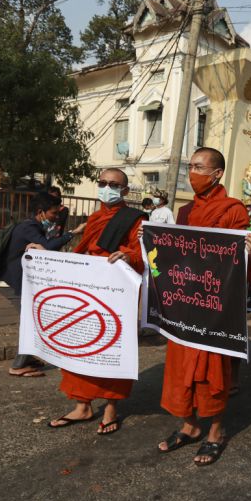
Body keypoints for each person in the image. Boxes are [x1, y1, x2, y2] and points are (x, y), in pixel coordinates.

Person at [157, 147, 251, 466]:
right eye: (191, 166)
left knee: (212, 369)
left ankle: (215, 430)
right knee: (180, 366)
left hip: (214, 301)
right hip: (185, 299)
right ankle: (189, 425)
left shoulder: (233, 209)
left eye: (200, 167)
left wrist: (246, 251)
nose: (193, 173)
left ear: (217, 174)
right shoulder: (185, 211)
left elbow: (233, 261)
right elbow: (175, 252)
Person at [48, 168, 146, 435]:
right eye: (102, 183)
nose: (107, 188)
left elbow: (143, 253)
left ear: (125, 190)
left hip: (116, 290)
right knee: (81, 344)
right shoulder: (94, 217)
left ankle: (111, 408)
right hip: (89, 288)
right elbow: (82, 251)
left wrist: (127, 255)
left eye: (113, 184)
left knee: (112, 347)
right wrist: (45, 256)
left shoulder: (135, 219)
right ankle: (82, 405)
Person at [2, 192, 86, 377]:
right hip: (16, 281)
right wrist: (73, 233)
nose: (56, 217)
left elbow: (45, 247)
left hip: (20, 280)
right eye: (53, 213)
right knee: (33, 321)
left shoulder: (32, 226)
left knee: (34, 319)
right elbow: (48, 247)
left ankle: (28, 358)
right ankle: (18, 365)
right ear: (41, 212)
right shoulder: (29, 228)